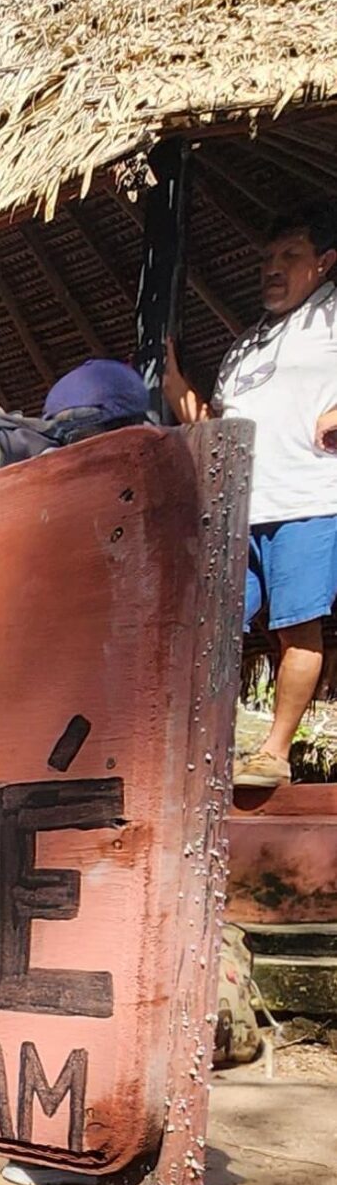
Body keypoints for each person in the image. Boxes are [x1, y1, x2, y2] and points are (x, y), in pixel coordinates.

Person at [166, 202, 337, 787]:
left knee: (297, 626)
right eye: (268, 258)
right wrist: (172, 385)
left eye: (291, 256)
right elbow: (214, 423)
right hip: (240, 505)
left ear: (324, 263)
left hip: (309, 499)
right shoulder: (245, 347)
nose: (273, 268)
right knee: (210, 625)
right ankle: (202, 746)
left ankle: (275, 753)